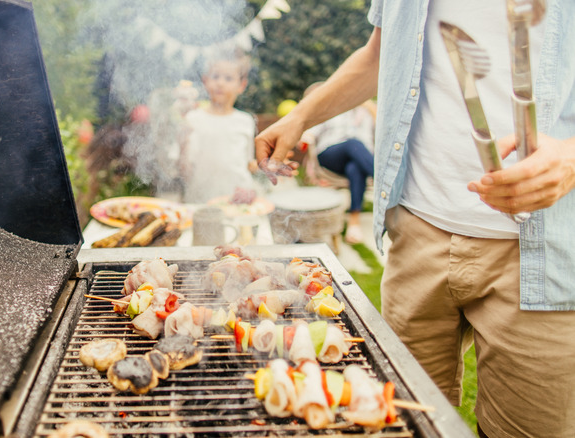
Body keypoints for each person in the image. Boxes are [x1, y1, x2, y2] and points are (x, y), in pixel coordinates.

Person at [255, 1, 575, 437]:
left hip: (544, 251)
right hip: (417, 233)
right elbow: (379, 53)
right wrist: (300, 117)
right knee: (403, 425)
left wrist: (571, 157)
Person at [299, 81, 376, 244]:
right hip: (330, 154)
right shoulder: (330, 110)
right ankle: (384, 181)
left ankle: (354, 222)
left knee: (354, 168)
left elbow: (386, 129)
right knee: (353, 142)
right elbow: (311, 132)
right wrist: (306, 138)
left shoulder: (367, 112)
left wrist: (367, 105)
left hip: (359, 159)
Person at [181, 47, 258, 203]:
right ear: (205, 81)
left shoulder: (245, 121)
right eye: (215, 76)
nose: (220, 83)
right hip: (201, 199)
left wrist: (266, 165)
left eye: (228, 78)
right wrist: (181, 142)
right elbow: (184, 170)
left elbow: (249, 164)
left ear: (241, 85)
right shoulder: (192, 119)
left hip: (237, 199)